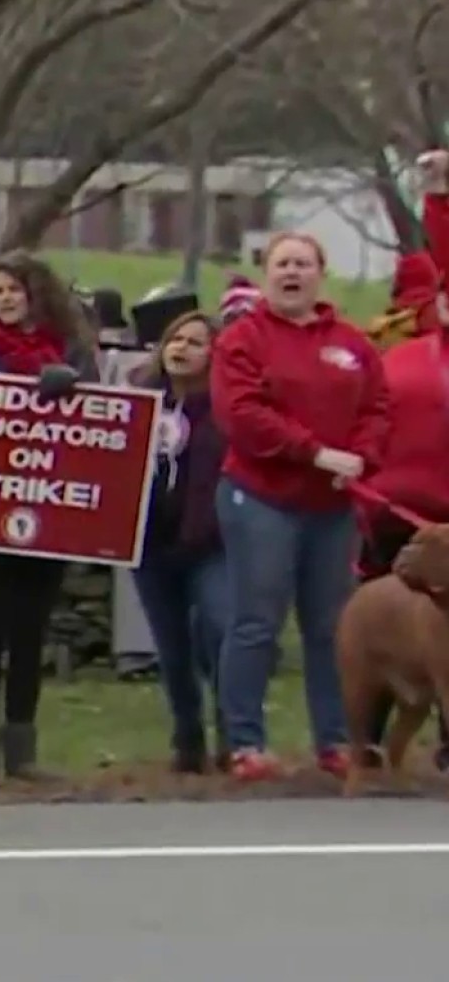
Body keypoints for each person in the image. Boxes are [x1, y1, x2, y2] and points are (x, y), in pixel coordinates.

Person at [212, 231, 388, 782]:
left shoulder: (352, 344)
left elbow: (378, 406)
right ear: (268, 274)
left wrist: (361, 456)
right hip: (261, 497)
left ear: (320, 274)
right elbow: (242, 415)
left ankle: (336, 741)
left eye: (303, 264)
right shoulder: (243, 339)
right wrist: (314, 454)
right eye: (282, 264)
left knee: (331, 625)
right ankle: (245, 743)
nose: (292, 273)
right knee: (256, 621)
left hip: (332, 506)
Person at [0, 253, 99, 783]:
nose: (7, 299)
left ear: (40, 295)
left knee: (31, 631)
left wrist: (71, 389)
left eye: (16, 289)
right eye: (0, 291)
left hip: (48, 512)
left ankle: (23, 747)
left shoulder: (75, 353)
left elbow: (100, 428)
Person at [127, 311, 233, 774]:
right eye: (175, 339)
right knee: (171, 648)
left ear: (214, 354)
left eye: (195, 342)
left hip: (210, 542)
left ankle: (234, 734)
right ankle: (187, 740)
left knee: (219, 630)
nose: (181, 348)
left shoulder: (227, 407)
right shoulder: (138, 400)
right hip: (151, 543)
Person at [355, 261, 449, 770]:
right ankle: (365, 740)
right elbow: (368, 416)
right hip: (396, 513)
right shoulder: (399, 359)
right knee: (384, 623)